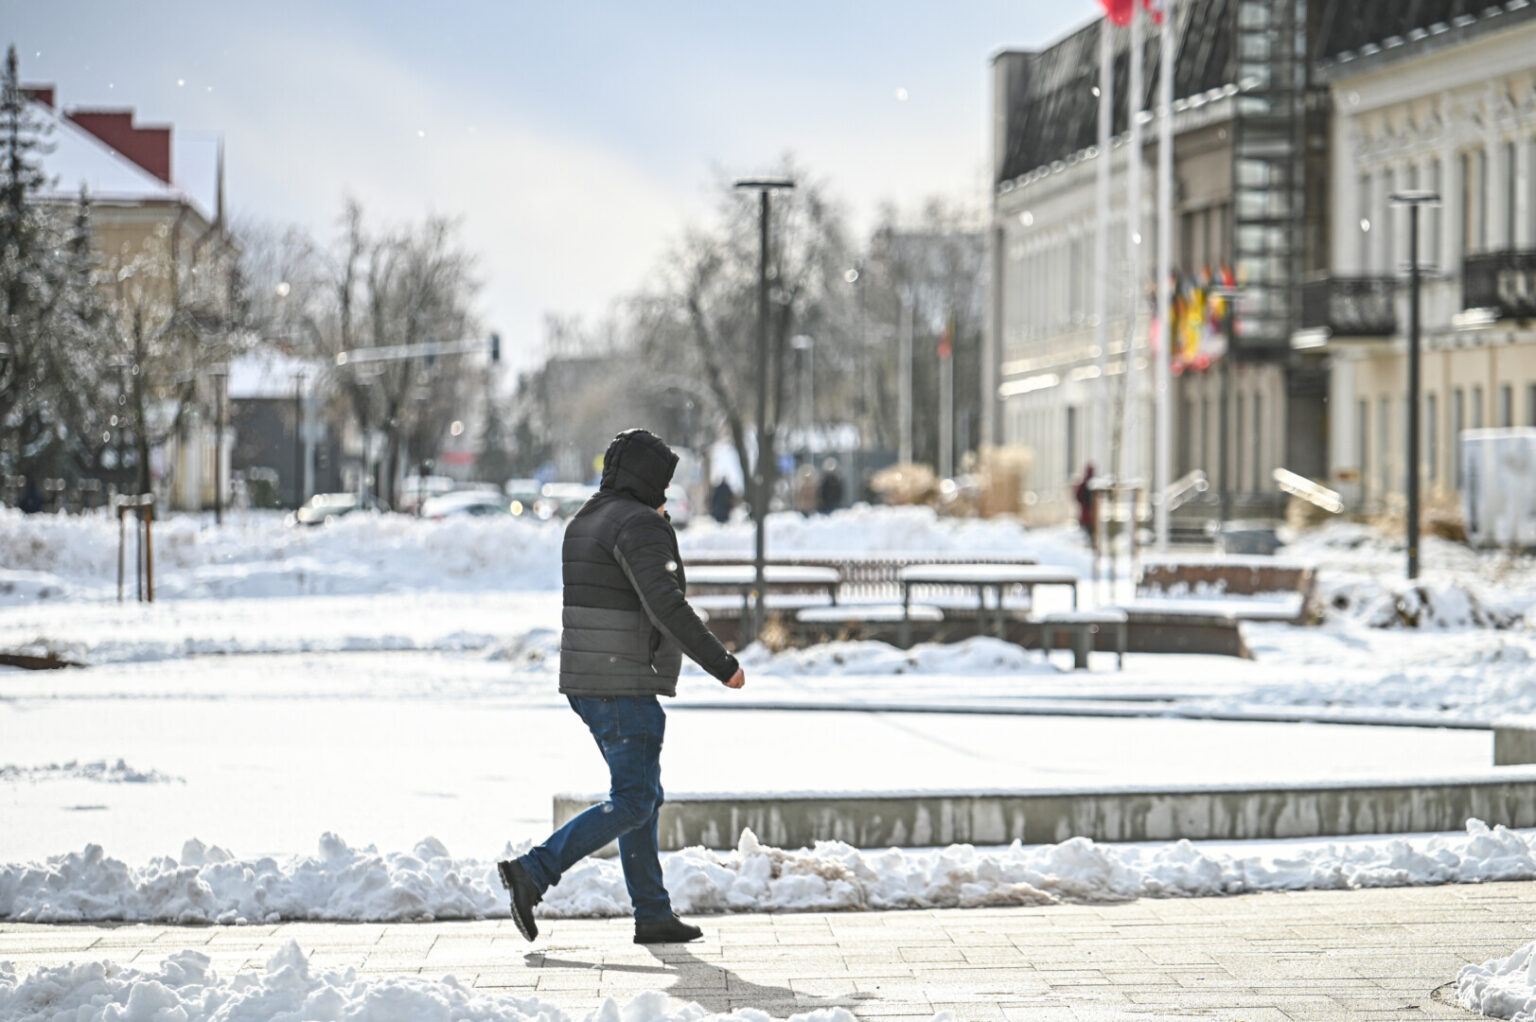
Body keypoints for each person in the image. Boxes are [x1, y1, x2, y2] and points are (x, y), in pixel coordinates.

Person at [498, 428, 746, 946]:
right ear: (649, 479)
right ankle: (534, 871)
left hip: (590, 679)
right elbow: (666, 604)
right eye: (663, 482)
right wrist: (721, 664)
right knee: (634, 799)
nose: (665, 493)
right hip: (622, 681)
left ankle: (653, 912)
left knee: (641, 796)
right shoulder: (638, 525)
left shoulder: (588, 517)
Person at [1074, 462, 1097, 543]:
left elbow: (1078, 496)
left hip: (1087, 514)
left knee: (1088, 533)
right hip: (1091, 515)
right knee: (1090, 533)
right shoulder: (1093, 484)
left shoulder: (1084, 483)